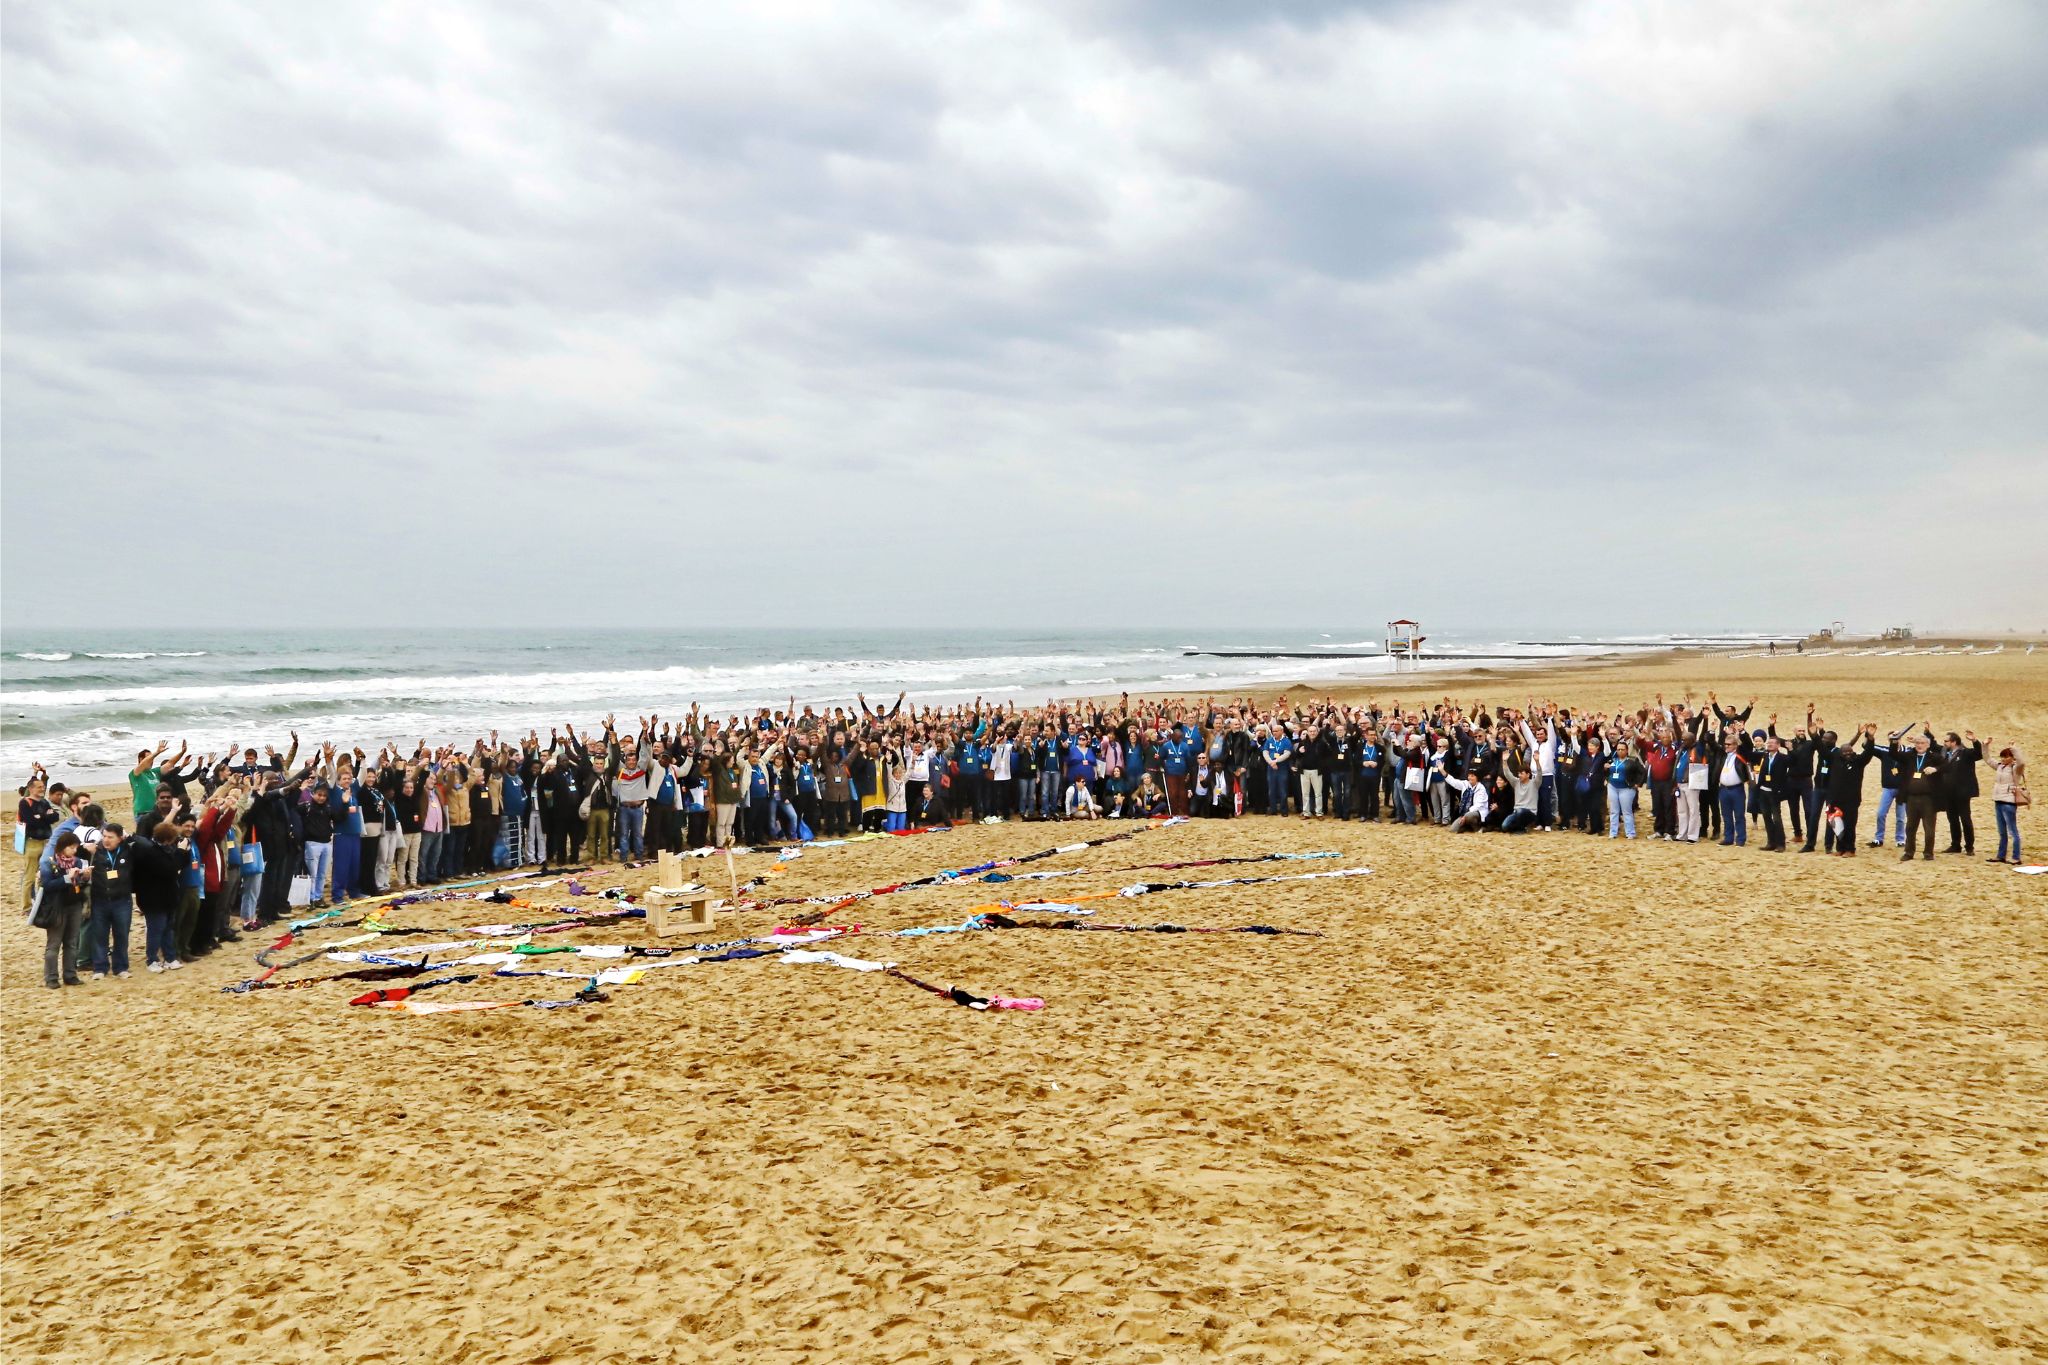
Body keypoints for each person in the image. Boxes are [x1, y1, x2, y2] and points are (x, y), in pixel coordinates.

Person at [37, 831, 92, 988]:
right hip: (57, 906)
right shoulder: (49, 863)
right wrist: (67, 878)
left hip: (74, 904)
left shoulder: (78, 862)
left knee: (71, 942)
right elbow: (47, 885)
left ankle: (70, 975)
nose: (74, 851)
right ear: (62, 847)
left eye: (75, 848)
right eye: (71, 847)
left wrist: (85, 877)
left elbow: (80, 884)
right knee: (54, 944)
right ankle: (51, 978)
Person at [87, 822, 135, 978]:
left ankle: (121, 967)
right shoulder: (95, 851)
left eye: (111, 837)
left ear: (120, 838)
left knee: (121, 935)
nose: (106, 840)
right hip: (100, 900)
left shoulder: (128, 850)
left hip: (122, 900)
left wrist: (130, 837)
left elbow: (144, 845)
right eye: (104, 836)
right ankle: (100, 968)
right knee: (100, 935)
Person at [1897, 727, 1945, 862]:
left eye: (1922, 743)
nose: (1919, 745)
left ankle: (1928, 853)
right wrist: (1894, 741)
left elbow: (1948, 766)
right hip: (1911, 798)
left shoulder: (1934, 757)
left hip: (1928, 799)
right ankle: (1909, 852)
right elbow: (1894, 754)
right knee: (1910, 827)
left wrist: (1936, 769)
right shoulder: (1909, 756)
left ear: (1928, 745)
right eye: (1917, 743)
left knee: (1929, 829)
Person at [17, 773, 59, 910]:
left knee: (48, 873)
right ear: (31, 789)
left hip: (46, 842)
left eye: (43, 786)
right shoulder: (25, 802)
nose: (42, 788)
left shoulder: (44, 802)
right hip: (32, 843)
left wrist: (40, 817)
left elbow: (55, 817)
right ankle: (26, 907)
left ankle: (43, 902)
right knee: (29, 875)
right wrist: (45, 816)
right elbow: (31, 821)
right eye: (39, 787)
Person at [1940, 731, 1983, 855]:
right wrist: (1927, 733)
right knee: (1952, 819)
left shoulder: (1965, 753)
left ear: (1954, 742)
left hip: (1962, 793)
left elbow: (1979, 754)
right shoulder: (1945, 753)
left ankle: (1969, 847)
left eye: (1946, 741)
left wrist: (1974, 741)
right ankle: (1955, 845)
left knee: (1965, 819)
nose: (1944, 743)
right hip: (1948, 792)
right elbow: (1932, 746)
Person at [1985, 741, 2026, 864]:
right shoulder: (2000, 766)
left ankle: (2016, 857)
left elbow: (2022, 762)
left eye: (2006, 757)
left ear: (2012, 758)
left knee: (2013, 831)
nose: (2003, 759)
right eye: (2002, 757)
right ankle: (2001, 855)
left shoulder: (2016, 768)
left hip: (2009, 802)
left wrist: (2013, 749)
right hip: (1998, 800)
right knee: (2002, 832)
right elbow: (1987, 759)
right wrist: (1985, 746)